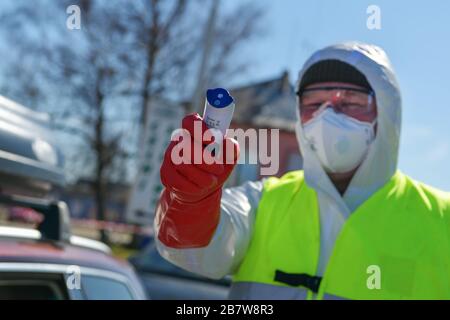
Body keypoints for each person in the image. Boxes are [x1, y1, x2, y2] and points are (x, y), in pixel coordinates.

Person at [154, 42, 450, 299]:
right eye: (315, 103)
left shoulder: (442, 221)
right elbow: (194, 253)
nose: (329, 115)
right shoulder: (266, 201)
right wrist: (190, 200)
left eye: (351, 101)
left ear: (385, 113)